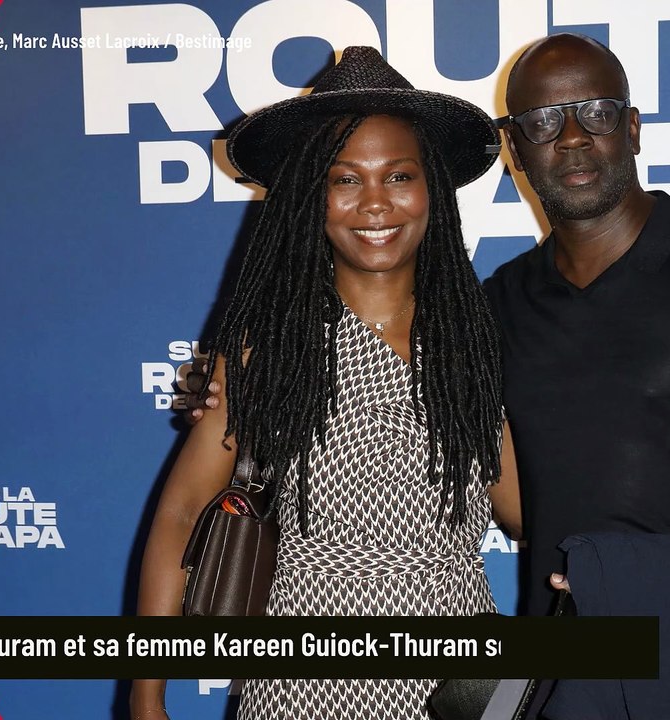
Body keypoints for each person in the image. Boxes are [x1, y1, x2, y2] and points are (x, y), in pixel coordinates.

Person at [187, 34, 670, 719]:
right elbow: (483, 461)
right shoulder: (493, 311)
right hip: (563, 676)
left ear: (632, 127)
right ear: (514, 148)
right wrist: (230, 387)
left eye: (594, 112)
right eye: (541, 122)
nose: (569, 138)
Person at [130, 46, 520, 720]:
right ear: (311, 195)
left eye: (399, 175)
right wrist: (146, 696)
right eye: (345, 179)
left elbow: (520, 508)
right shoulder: (274, 349)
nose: (375, 203)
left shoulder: (467, 346)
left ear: (433, 189)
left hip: (461, 689)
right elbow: (181, 513)